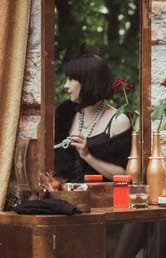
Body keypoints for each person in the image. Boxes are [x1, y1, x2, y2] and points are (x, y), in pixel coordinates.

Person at [54, 53, 132, 182]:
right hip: (63, 195)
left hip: (99, 198)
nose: (65, 85)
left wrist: (87, 156)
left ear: (88, 82)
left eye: (71, 79)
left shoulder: (118, 121)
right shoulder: (64, 113)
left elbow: (125, 176)